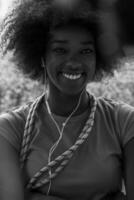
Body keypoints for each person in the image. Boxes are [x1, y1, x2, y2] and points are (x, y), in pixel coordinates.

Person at [0, 0, 133, 199]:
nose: (73, 62)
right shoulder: (10, 129)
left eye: (86, 51)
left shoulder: (123, 121)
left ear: (98, 58)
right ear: (42, 57)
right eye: (60, 50)